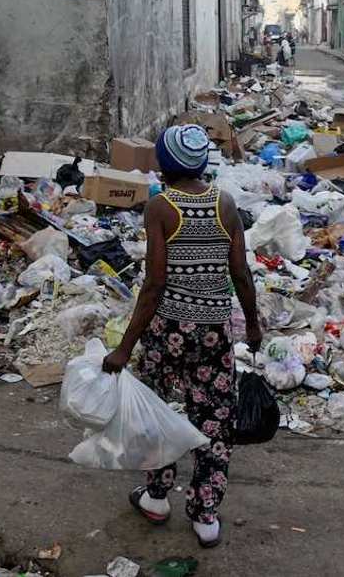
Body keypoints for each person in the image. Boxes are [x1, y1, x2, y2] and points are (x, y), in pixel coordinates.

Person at [102, 124, 263, 549]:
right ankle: (206, 515)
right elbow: (240, 273)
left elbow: (154, 284)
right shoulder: (224, 205)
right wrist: (253, 322)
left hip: (168, 332)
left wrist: (124, 346)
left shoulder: (160, 207)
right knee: (213, 421)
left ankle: (157, 498)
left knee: (162, 414)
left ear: (166, 163)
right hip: (213, 331)